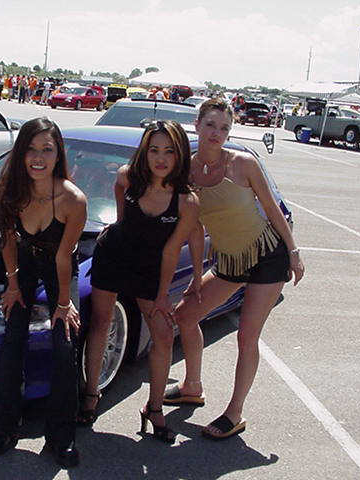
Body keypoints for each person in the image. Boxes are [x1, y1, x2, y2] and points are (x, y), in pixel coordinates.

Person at [164, 98, 305, 440]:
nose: (217, 133)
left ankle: (234, 412)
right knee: (184, 316)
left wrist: (293, 252)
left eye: (224, 127)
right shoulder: (186, 172)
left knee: (246, 336)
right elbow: (195, 227)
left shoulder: (243, 164)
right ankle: (192, 386)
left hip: (267, 256)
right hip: (229, 261)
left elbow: (272, 208)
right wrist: (195, 277)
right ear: (197, 125)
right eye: (210, 125)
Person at [79, 120, 200, 444]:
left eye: (169, 151)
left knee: (163, 334)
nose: (160, 158)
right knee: (101, 322)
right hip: (114, 257)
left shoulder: (186, 201)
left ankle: (154, 408)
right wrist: (119, 225)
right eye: (153, 150)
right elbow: (120, 201)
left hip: (150, 268)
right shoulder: (128, 177)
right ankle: (91, 394)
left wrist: (162, 295)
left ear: (180, 154)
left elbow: (172, 250)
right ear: (144, 152)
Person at [0, 118, 87, 468]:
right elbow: (8, 242)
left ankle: (61, 437)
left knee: (65, 344)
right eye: (31, 149)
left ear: (59, 154)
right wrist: (13, 286)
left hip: (60, 266)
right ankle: (4, 426)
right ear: (21, 153)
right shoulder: (9, 190)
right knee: (13, 337)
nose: (38, 158)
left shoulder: (73, 200)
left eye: (47, 149)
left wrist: (63, 305)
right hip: (24, 262)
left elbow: (63, 257)